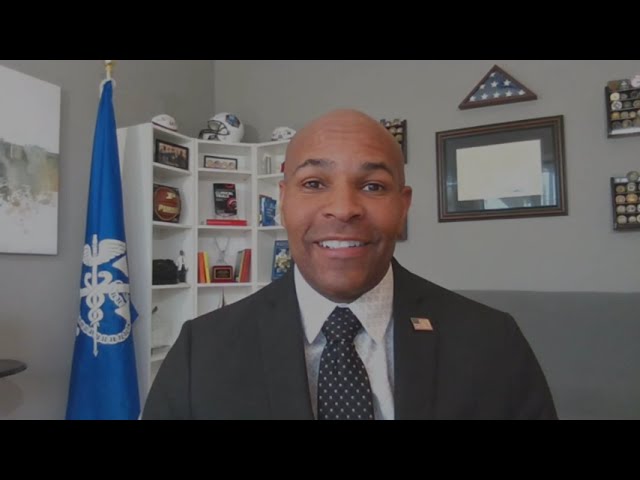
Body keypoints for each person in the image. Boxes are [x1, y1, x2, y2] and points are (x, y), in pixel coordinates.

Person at [142, 109, 557, 420]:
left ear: (403, 206)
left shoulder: (492, 343)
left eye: (373, 186)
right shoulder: (202, 352)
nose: (342, 208)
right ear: (283, 201)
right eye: (314, 184)